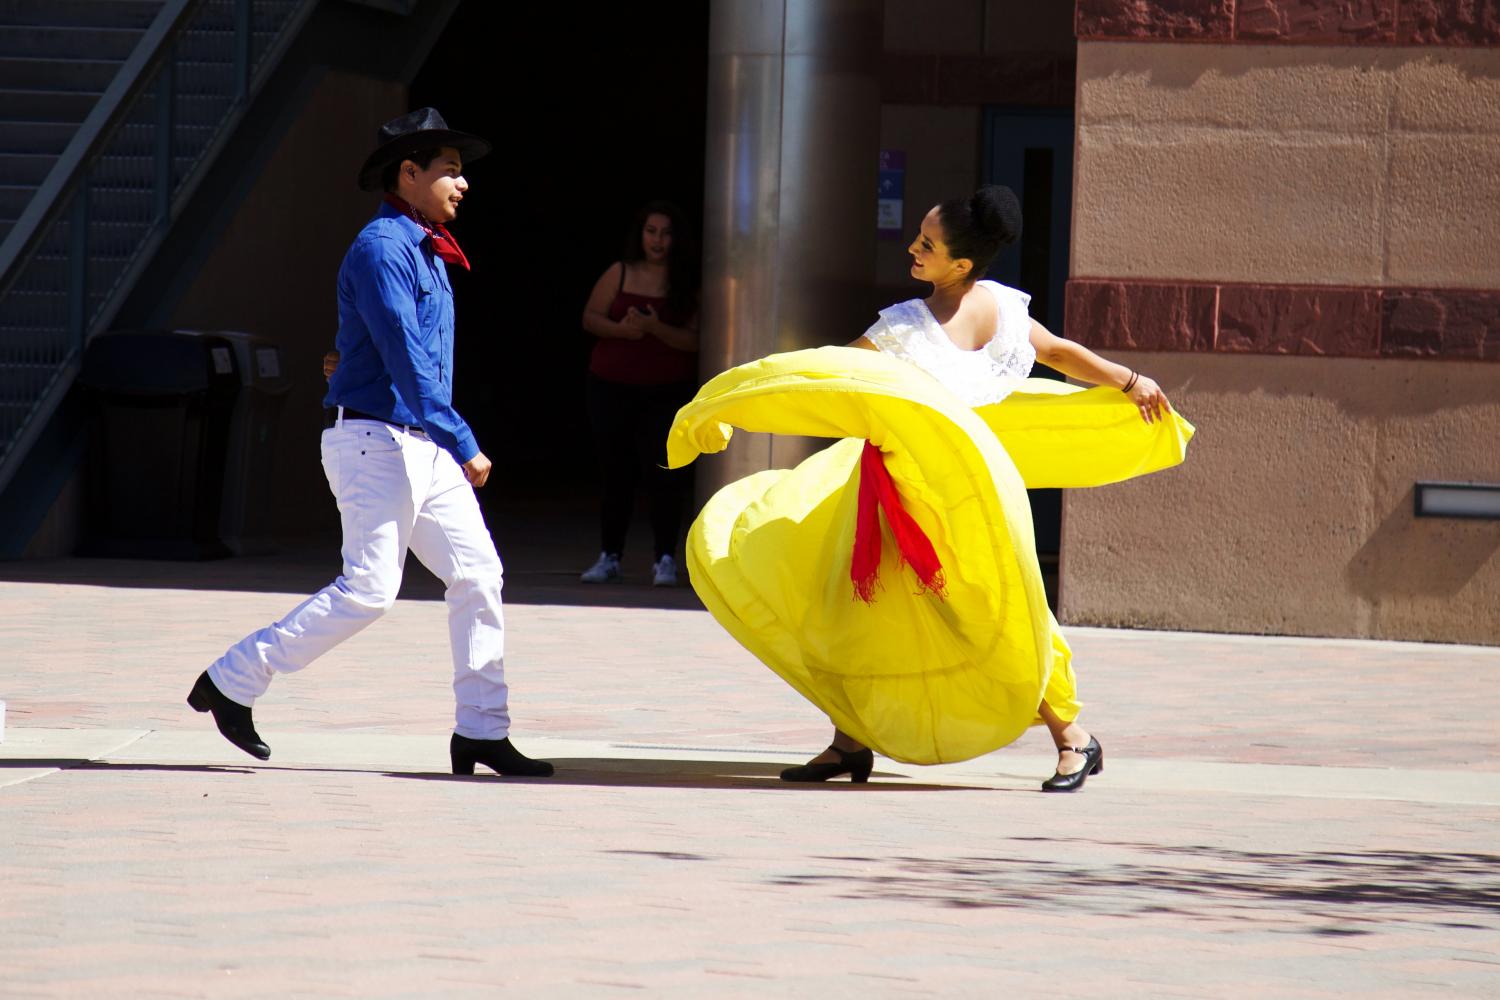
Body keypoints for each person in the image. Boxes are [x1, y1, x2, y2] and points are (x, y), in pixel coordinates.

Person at [665, 185, 1192, 791]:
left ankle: (1075, 736)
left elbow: (1059, 354)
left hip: (973, 499)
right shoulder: (903, 327)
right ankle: (849, 742)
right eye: (918, 236)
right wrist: (731, 403)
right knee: (854, 610)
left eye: (927, 244)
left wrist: (1130, 380)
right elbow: (824, 376)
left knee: (1002, 609)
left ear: (961, 264)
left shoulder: (996, 312)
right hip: (891, 496)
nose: (913, 249)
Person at [187, 108, 553, 779]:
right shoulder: (384, 247)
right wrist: (465, 442)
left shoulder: (424, 244)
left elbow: (388, 353)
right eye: (449, 170)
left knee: (477, 575)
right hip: (377, 441)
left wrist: (364, 374)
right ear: (408, 173)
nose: (462, 183)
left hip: (417, 440)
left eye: (461, 172)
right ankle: (232, 679)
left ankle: (481, 732)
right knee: (370, 590)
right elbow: (410, 362)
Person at [577, 201, 700, 586]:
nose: (658, 240)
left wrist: (655, 327)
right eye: (651, 231)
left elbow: (696, 340)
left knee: (664, 475)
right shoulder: (620, 271)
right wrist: (625, 331)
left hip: (665, 391)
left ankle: (665, 558)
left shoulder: (687, 281)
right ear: (641, 234)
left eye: (665, 232)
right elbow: (590, 318)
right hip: (611, 387)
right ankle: (609, 556)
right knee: (616, 475)